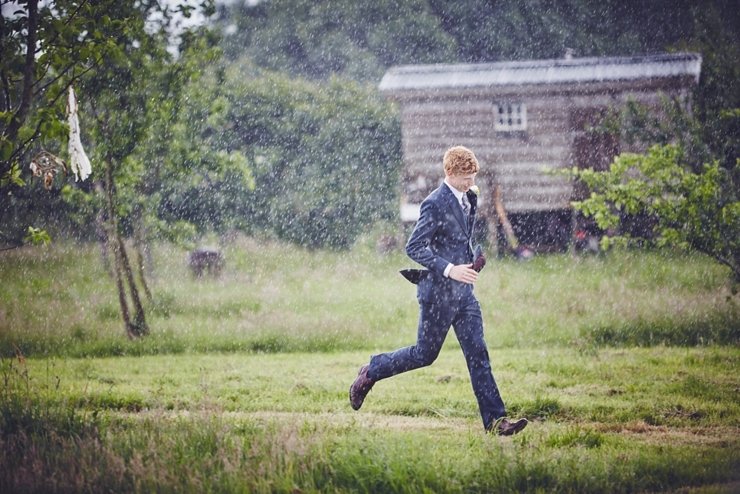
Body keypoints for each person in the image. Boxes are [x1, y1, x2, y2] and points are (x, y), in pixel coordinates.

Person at [349, 145, 528, 435]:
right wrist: (449, 269)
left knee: (478, 354)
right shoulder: (434, 203)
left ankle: (496, 422)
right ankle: (371, 371)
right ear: (449, 173)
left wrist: (474, 259)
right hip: (437, 295)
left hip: (464, 295)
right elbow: (414, 246)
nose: (471, 182)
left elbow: (459, 241)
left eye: (473, 176)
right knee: (424, 354)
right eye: (465, 177)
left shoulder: (470, 197)